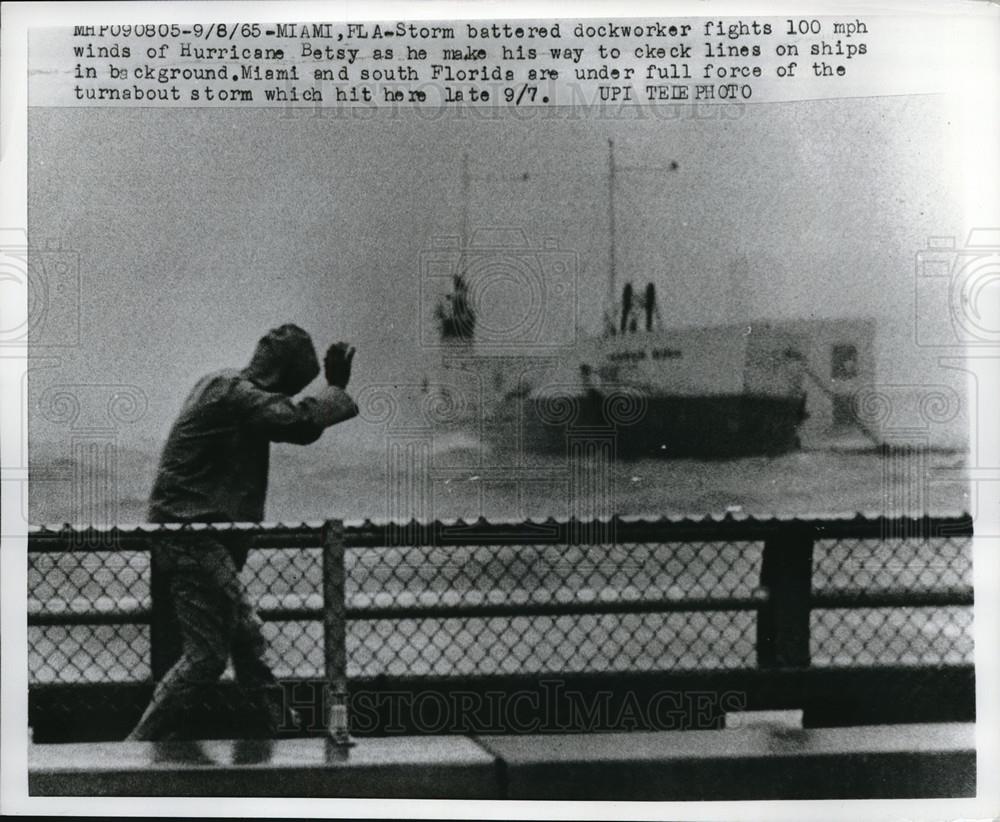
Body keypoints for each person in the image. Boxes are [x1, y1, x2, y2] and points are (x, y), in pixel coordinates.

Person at [127, 324, 358, 741]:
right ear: (282, 375)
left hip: (191, 535)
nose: (286, 395)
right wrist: (335, 387)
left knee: (243, 642)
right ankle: (136, 747)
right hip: (191, 536)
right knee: (211, 655)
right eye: (289, 385)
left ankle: (279, 732)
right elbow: (297, 422)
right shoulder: (237, 397)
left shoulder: (220, 386)